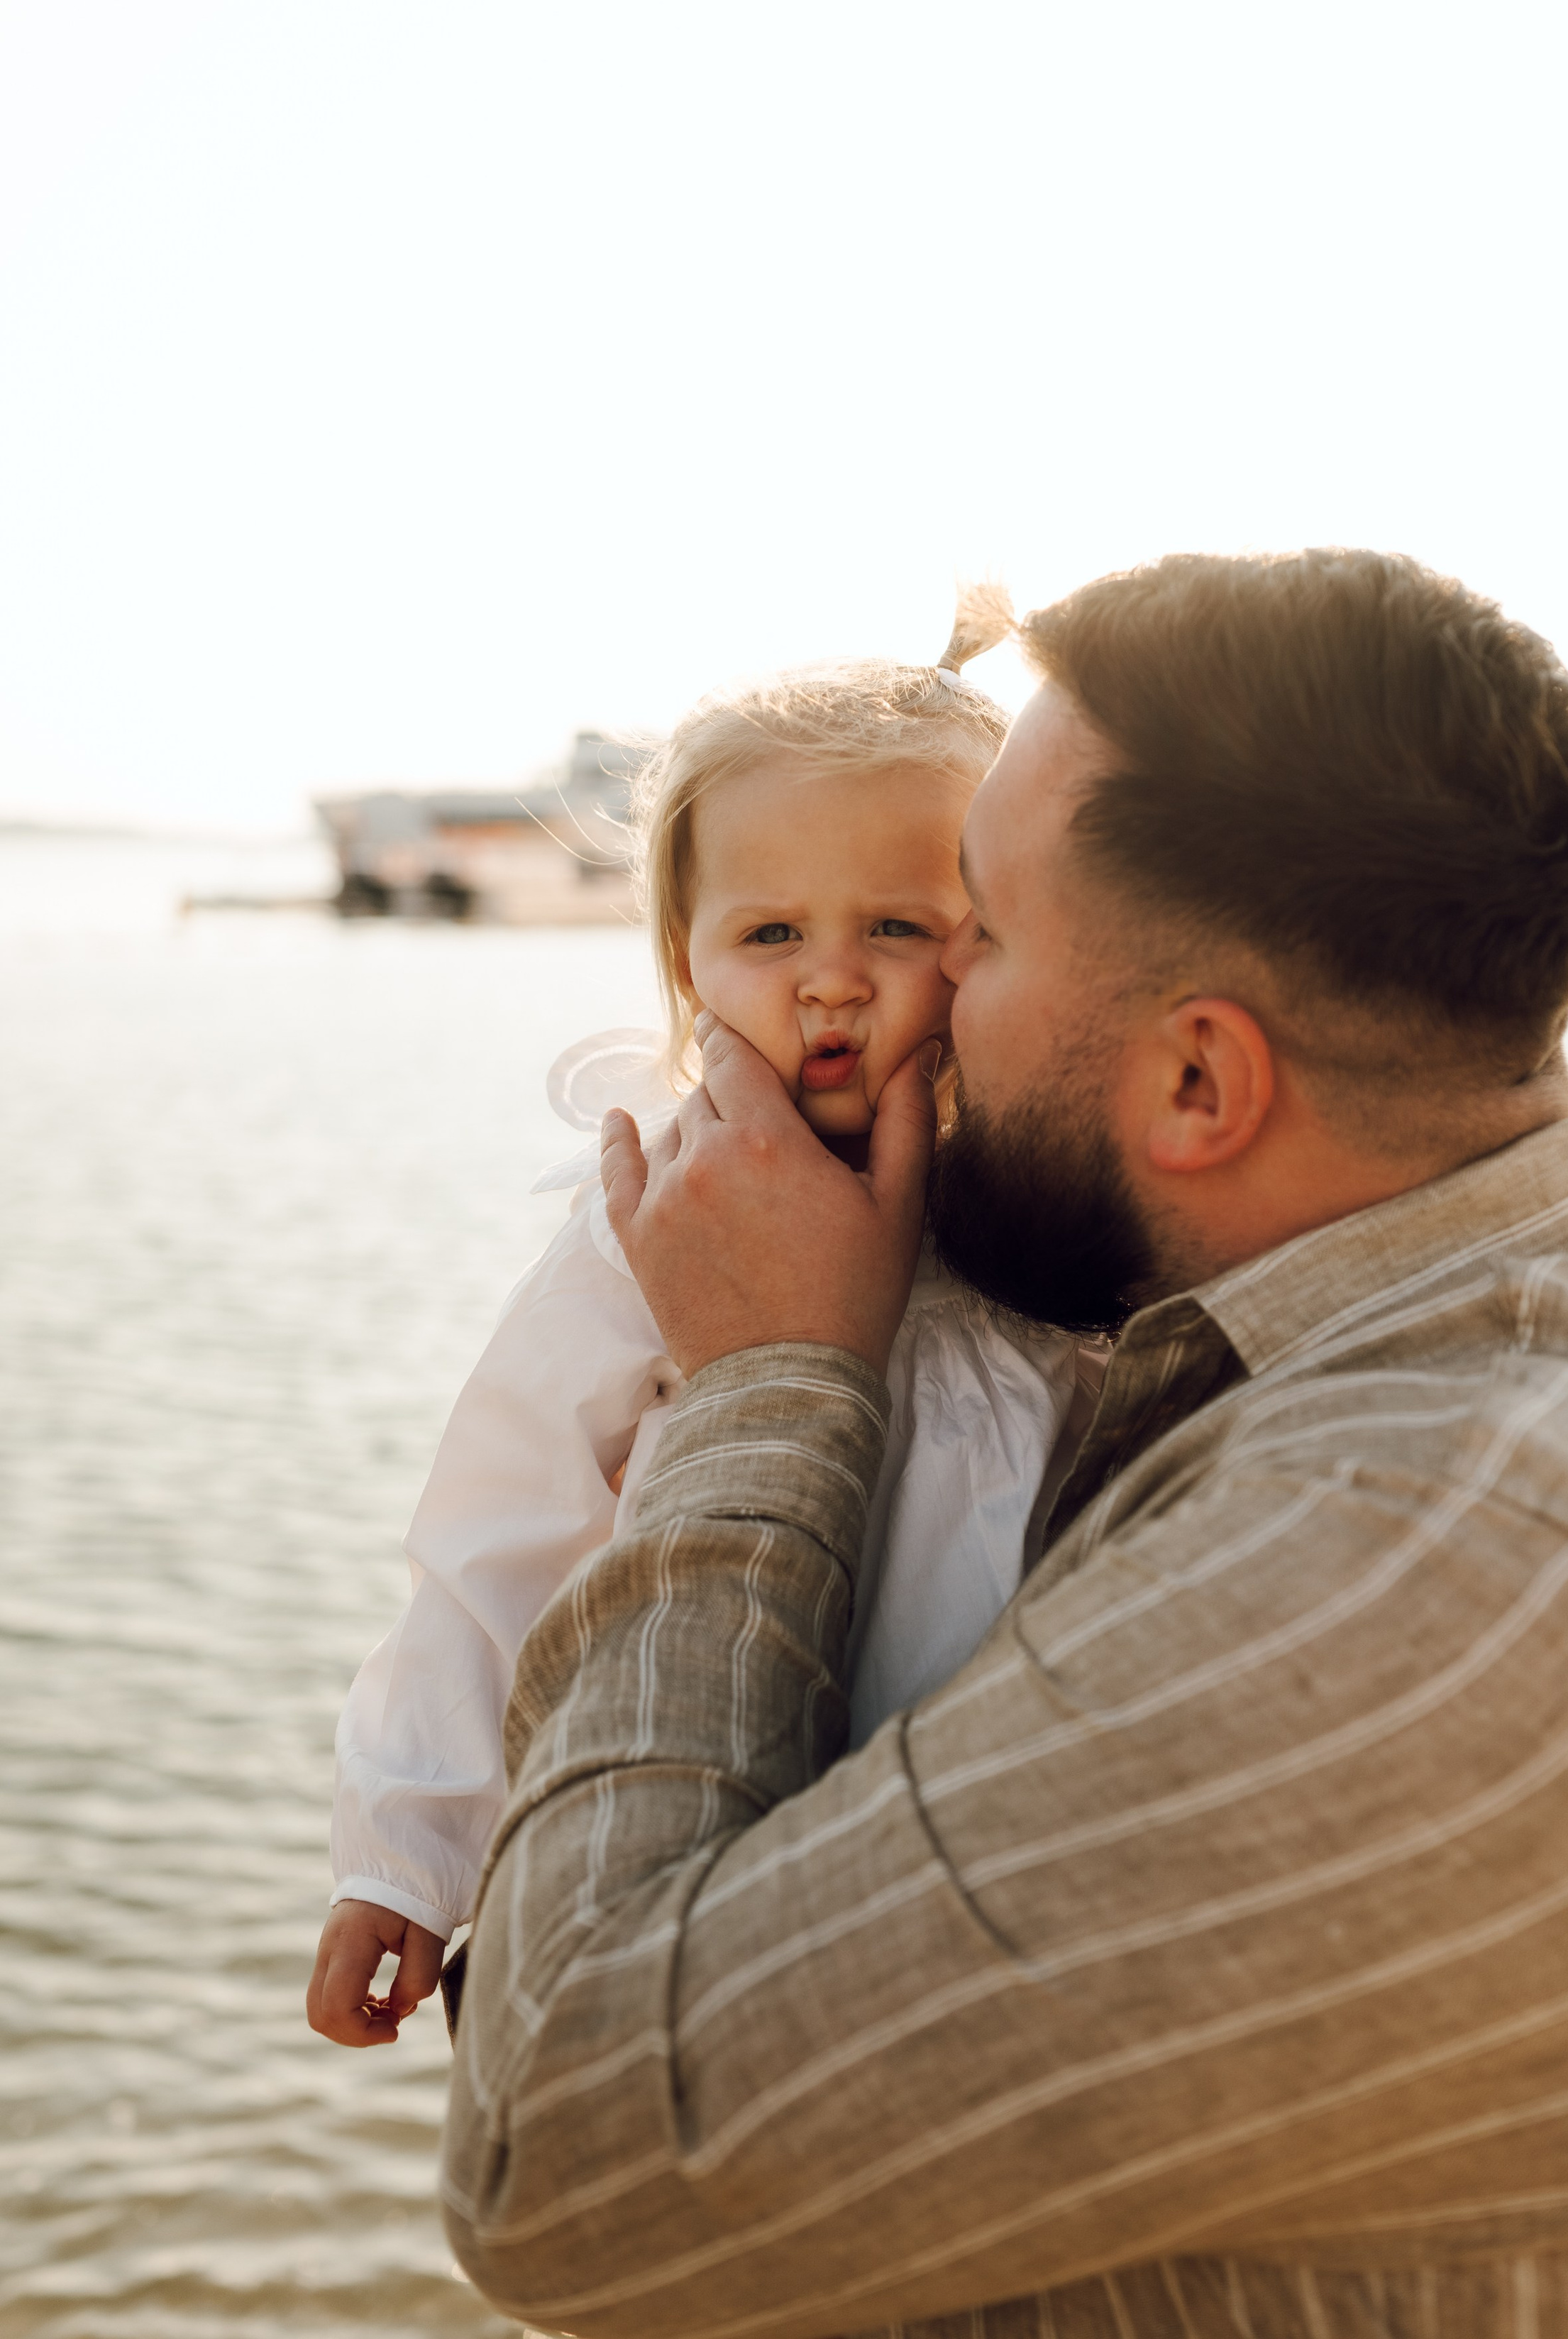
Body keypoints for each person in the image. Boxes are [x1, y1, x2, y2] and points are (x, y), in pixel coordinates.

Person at [440, 549, 1568, 2339]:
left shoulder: (1418, 1569)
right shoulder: (1525, 1345)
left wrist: (762, 1386)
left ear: (1197, 1083)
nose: (919, 999)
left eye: (976, 929)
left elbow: (565, 2159)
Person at [307, 597, 1105, 2047]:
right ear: (687, 962)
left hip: (978, 1853)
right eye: (770, 930)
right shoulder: (657, 1209)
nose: (830, 976)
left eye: (898, 925)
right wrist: (407, 1851)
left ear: (997, 938)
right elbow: (504, 1521)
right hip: (707, 1786)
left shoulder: (1047, 1198)